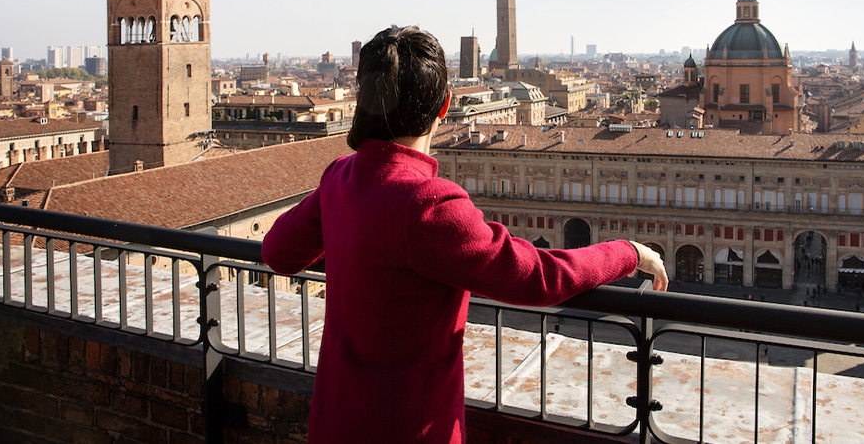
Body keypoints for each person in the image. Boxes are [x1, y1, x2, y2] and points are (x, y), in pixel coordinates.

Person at [262, 25, 668, 444]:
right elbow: (536, 276)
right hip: (411, 430)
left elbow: (277, 252)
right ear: (444, 106)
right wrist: (628, 252)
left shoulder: (339, 178)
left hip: (333, 425)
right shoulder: (426, 201)